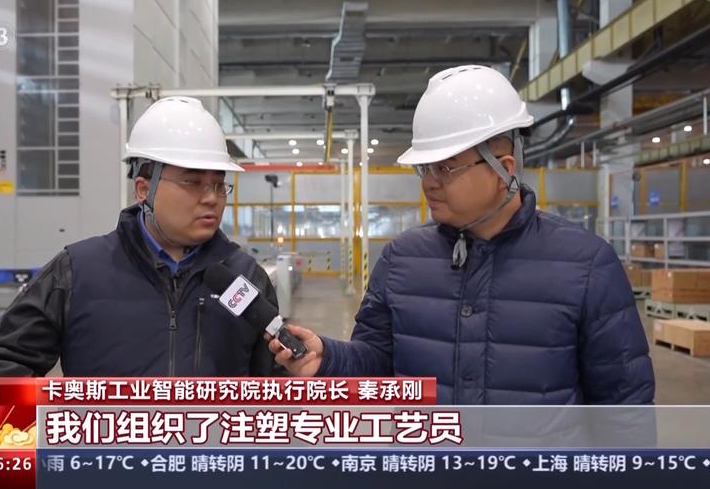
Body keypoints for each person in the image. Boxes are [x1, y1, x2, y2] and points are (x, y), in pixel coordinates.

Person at [270, 65, 655, 404]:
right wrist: (328, 360)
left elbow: (623, 407)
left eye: (445, 168)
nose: (429, 183)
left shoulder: (586, 265)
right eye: (424, 169)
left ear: (504, 169)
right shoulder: (402, 259)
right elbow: (378, 364)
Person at [0, 96, 278, 377]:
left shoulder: (246, 277)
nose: (211, 198)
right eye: (192, 182)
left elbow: (275, 385)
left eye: (219, 185)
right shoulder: (78, 271)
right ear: (143, 190)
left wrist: (303, 371)